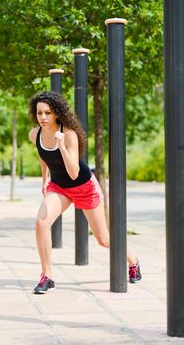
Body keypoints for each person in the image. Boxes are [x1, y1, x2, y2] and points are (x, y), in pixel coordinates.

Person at [29, 91, 141, 294]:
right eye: (39, 113)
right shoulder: (34, 134)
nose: (43, 117)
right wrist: (44, 177)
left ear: (56, 113)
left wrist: (61, 145)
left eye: (47, 113)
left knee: (103, 239)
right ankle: (47, 277)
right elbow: (42, 154)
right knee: (41, 222)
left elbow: (73, 173)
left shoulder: (69, 134)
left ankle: (132, 260)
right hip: (59, 187)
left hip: (83, 187)